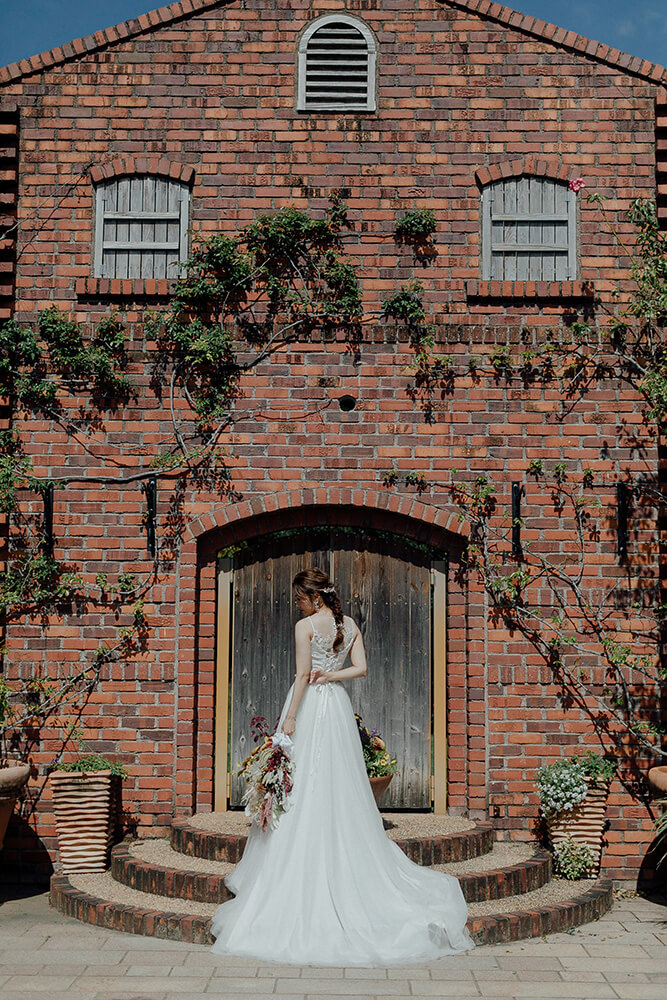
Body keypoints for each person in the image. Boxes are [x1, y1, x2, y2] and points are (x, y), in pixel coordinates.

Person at [210, 568, 474, 966]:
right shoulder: (348, 624)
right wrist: (333, 674)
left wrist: (291, 719)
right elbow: (362, 668)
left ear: (313, 597)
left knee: (302, 780)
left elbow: (301, 675)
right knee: (335, 780)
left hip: (312, 705)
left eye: (299, 598)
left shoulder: (305, 627)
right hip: (336, 705)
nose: (296, 605)